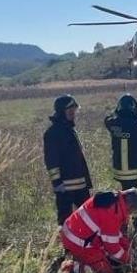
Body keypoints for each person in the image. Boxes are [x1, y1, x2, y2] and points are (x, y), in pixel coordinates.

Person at [60, 189, 137, 273]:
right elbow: (113, 248)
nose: (130, 214)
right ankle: (69, 267)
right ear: (130, 206)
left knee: (109, 258)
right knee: (105, 272)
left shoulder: (114, 199)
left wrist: (128, 247)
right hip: (76, 241)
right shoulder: (113, 214)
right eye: (133, 211)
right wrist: (129, 259)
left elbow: (115, 234)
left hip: (72, 231)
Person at [44, 94, 92, 225]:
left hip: (81, 184)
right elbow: (51, 160)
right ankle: (67, 243)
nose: (73, 114)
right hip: (65, 186)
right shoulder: (52, 133)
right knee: (65, 220)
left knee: (89, 216)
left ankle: (86, 242)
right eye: (70, 111)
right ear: (61, 112)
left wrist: (86, 180)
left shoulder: (70, 130)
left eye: (74, 111)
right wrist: (57, 182)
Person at [104, 93, 137, 189]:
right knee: (133, 195)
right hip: (133, 169)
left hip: (119, 170)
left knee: (124, 193)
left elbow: (107, 119)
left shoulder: (113, 123)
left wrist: (115, 113)